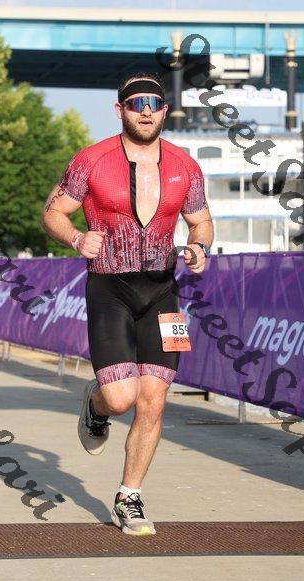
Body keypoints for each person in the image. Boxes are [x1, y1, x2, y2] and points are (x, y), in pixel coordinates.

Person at [42, 72, 213, 536]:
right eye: (136, 103)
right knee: (122, 398)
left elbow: (201, 221)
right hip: (110, 288)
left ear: (165, 110)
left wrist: (199, 246)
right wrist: (76, 238)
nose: (146, 111)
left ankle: (129, 496)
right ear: (120, 110)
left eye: (154, 103)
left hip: (163, 291)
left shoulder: (185, 166)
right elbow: (52, 211)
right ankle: (97, 406)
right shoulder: (91, 160)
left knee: (153, 401)